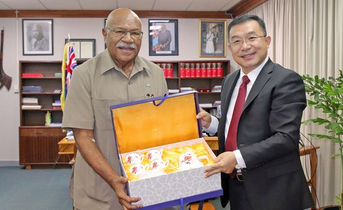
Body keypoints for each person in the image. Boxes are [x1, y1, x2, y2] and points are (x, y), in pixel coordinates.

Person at [197, 15, 314, 210]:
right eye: (236, 41)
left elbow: (285, 138)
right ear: (230, 48)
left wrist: (236, 158)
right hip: (237, 188)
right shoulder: (229, 81)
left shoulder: (285, 80)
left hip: (275, 192)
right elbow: (238, 127)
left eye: (251, 38)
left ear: (267, 41)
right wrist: (212, 123)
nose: (244, 46)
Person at [62, 8, 168, 210]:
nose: (128, 39)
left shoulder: (156, 74)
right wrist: (113, 180)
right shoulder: (83, 75)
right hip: (98, 194)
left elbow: (161, 131)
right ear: (105, 34)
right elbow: (83, 137)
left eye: (135, 33)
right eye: (120, 31)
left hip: (146, 189)